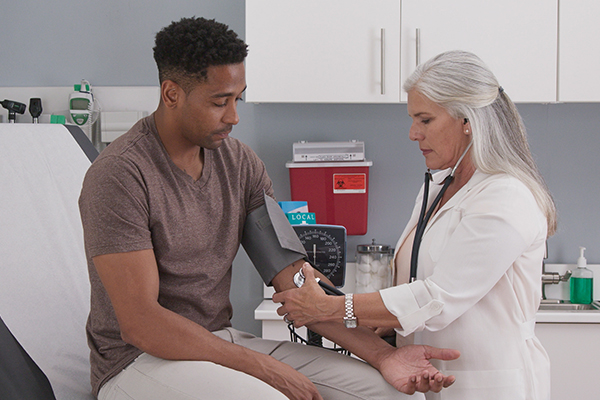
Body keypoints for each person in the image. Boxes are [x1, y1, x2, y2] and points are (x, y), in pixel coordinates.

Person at [78, 17, 460, 400]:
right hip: (137, 360)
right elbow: (140, 323)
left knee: (386, 393)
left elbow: (293, 278)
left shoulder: (239, 164)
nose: (234, 116)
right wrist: (260, 368)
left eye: (237, 98)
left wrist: (383, 356)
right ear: (172, 93)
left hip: (218, 341)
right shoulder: (119, 176)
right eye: (218, 101)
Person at [274, 50, 555, 400]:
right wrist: (387, 325)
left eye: (424, 120)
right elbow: (416, 284)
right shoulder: (437, 188)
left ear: (467, 121)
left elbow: (440, 296)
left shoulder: (505, 196)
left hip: (492, 382)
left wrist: (333, 308)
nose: (412, 133)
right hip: (428, 379)